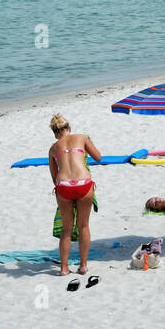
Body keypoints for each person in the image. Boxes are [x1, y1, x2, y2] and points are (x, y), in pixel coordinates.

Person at [48, 115, 101, 277]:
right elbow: (98, 158)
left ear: (56, 134)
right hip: (83, 184)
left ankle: (64, 268)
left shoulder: (53, 148)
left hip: (64, 187)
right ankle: (83, 266)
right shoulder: (81, 138)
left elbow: (54, 176)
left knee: (66, 229)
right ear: (69, 128)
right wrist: (88, 143)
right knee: (83, 226)